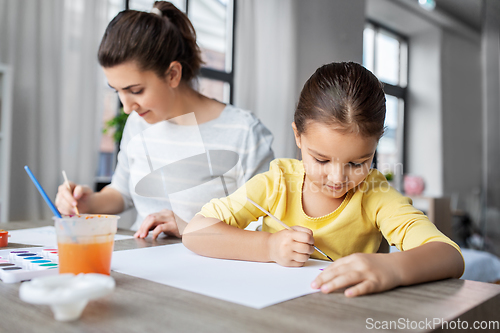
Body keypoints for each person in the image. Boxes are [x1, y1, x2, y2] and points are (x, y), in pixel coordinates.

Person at [182, 62, 464, 297]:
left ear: (375, 147)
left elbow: (449, 256)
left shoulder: (374, 193)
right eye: (321, 159)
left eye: (357, 163)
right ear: (298, 137)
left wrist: (392, 268)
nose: (337, 178)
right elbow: (195, 232)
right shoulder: (276, 183)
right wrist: (268, 247)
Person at [55, 1, 274, 239]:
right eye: (117, 91)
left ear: (172, 74)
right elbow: (123, 193)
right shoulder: (139, 123)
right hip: (142, 261)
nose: (127, 107)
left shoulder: (243, 132)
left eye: (136, 90)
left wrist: (190, 228)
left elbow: (264, 227)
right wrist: (88, 203)